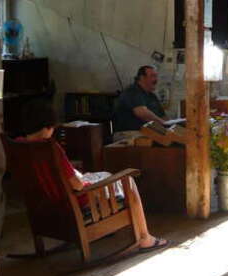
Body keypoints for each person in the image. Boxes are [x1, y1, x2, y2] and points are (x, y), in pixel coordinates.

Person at [19, 101, 168, 252]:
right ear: (47, 127)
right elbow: (77, 186)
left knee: (103, 175)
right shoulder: (50, 149)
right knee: (127, 180)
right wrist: (85, 183)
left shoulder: (19, 146)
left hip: (47, 207)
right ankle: (144, 238)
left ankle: (108, 229)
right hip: (74, 205)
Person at [113, 65, 167, 138]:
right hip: (128, 133)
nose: (156, 79)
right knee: (160, 140)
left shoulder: (152, 96)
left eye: (156, 76)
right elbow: (142, 113)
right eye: (152, 76)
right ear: (142, 78)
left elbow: (163, 117)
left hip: (146, 132)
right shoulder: (132, 91)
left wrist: (173, 126)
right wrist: (163, 123)